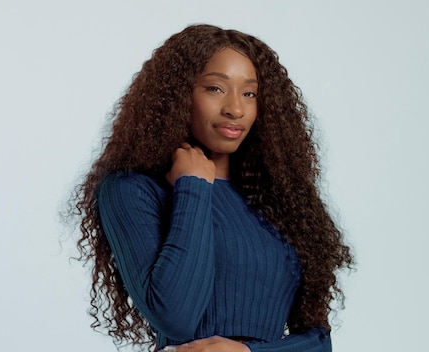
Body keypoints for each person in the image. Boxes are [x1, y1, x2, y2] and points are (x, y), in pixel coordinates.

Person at [70, 24, 352, 352]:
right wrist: (193, 187)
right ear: (178, 94)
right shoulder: (132, 190)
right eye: (216, 89)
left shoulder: (280, 202)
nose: (235, 108)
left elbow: (319, 342)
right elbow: (175, 316)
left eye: (250, 93)